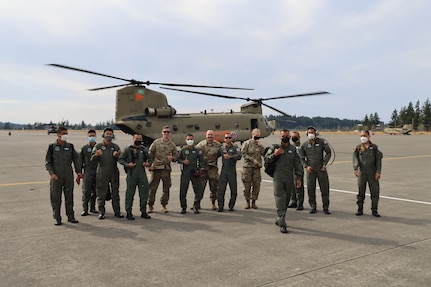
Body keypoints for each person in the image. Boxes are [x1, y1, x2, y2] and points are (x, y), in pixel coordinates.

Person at [264, 129, 303, 234]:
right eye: (283, 136)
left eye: (287, 135)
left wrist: (299, 177)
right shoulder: (275, 148)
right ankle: (282, 223)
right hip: (278, 177)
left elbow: (298, 164)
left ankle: (279, 218)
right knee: (280, 199)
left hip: (289, 178)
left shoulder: (293, 149)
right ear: (280, 137)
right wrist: (275, 155)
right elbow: (266, 159)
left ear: (289, 137)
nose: (285, 137)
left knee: (286, 200)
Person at [45, 127, 82, 225]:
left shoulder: (70, 146)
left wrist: (78, 173)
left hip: (68, 175)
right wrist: (52, 173)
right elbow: (48, 162)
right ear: (58, 135)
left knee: (69, 197)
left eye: (66, 133)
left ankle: (70, 216)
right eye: (64, 133)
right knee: (56, 198)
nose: (65, 135)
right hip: (56, 176)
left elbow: (76, 160)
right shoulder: (52, 147)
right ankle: (57, 218)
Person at [91, 127, 123, 220]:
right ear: (103, 135)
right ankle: (101, 212)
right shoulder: (98, 146)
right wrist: (96, 155)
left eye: (110, 134)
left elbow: (120, 159)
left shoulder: (115, 146)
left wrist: (117, 156)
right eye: (107, 134)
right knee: (101, 193)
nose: (108, 135)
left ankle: (117, 211)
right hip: (102, 172)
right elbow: (92, 159)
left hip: (113, 172)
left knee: (115, 193)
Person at [118, 134, 152, 220]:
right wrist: (127, 164)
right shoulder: (127, 149)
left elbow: (150, 159)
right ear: (133, 139)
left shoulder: (144, 150)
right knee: (130, 193)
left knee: (144, 193)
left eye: (140, 139)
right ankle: (129, 212)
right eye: (137, 138)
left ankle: (143, 211)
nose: (138, 140)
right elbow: (120, 159)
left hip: (142, 174)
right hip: (131, 174)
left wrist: (148, 164)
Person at [299, 126, 332, 214]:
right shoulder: (305, 144)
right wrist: (306, 166)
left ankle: (326, 207)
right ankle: (313, 206)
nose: (311, 134)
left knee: (325, 189)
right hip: (310, 170)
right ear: (307, 134)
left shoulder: (321, 142)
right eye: (309, 133)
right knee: (311, 189)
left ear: (315, 133)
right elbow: (301, 157)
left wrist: (325, 163)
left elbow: (328, 152)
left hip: (321, 169)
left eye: (312, 133)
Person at [148, 126, 179, 213]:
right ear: (162, 133)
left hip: (166, 169)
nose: (166, 133)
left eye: (168, 132)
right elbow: (150, 154)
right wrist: (150, 165)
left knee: (166, 188)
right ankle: (150, 205)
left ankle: (164, 205)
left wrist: (172, 158)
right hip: (156, 168)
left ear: (170, 134)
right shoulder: (156, 142)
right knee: (152, 188)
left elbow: (176, 156)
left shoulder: (172, 144)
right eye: (165, 132)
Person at [353, 130, 383, 217]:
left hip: (372, 173)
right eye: (361, 136)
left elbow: (378, 160)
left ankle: (374, 210)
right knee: (360, 191)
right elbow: (355, 158)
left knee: (374, 192)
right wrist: (355, 168)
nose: (363, 137)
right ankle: (360, 209)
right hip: (362, 173)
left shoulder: (374, 148)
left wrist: (378, 171)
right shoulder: (358, 148)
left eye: (364, 135)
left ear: (369, 136)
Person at [176, 134, 204, 214]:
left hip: (194, 172)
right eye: (188, 139)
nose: (190, 141)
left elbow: (202, 160)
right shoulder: (183, 150)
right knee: (183, 190)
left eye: (191, 139)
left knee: (198, 190)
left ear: (194, 140)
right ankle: (183, 207)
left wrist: (199, 168)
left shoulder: (198, 150)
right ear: (185, 140)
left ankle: (196, 206)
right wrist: (183, 162)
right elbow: (178, 159)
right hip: (185, 172)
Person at [196, 130, 223, 210]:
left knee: (214, 188)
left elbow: (222, 153)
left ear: (213, 136)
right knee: (200, 187)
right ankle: (197, 203)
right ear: (206, 136)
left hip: (213, 169)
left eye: (211, 135)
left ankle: (213, 203)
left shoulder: (218, 145)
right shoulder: (201, 145)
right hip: (203, 169)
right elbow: (195, 153)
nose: (210, 137)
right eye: (208, 135)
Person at [241, 128, 265, 209]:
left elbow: (264, 153)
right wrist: (252, 160)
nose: (257, 137)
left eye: (258, 136)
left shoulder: (259, 145)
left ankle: (254, 201)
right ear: (252, 135)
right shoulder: (247, 143)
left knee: (256, 185)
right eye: (256, 136)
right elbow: (243, 154)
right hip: (248, 167)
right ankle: (247, 201)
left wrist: (259, 145)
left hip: (256, 168)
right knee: (247, 185)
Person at [217, 132, 242, 212]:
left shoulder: (235, 147)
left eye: (229, 138)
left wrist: (231, 156)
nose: (228, 139)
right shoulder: (222, 148)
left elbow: (239, 156)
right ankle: (220, 206)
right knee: (221, 190)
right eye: (226, 138)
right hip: (224, 170)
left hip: (232, 170)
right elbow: (216, 155)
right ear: (224, 139)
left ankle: (231, 206)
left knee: (233, 189)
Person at [79, 129, 98, 216]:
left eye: (93, 136)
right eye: (90, 136)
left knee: (95, 191)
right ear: (87, 137)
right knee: (86, 191)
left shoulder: (99, 147)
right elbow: (80, 161)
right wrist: (79, 172)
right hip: (87, 172)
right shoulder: (84, 148)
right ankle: (85, 209)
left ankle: (92, 207)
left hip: (97, 172)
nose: (92, 137)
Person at [287, 131, 305, 210]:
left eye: (296, 137)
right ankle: (293, 201)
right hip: (291, 169)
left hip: (298, 169)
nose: (294, 138)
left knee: (299, 187)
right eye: (293, 137)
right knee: (292, 187)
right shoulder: (290, 147)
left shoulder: (302, 147)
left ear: (299, 137)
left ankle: (300, 203)